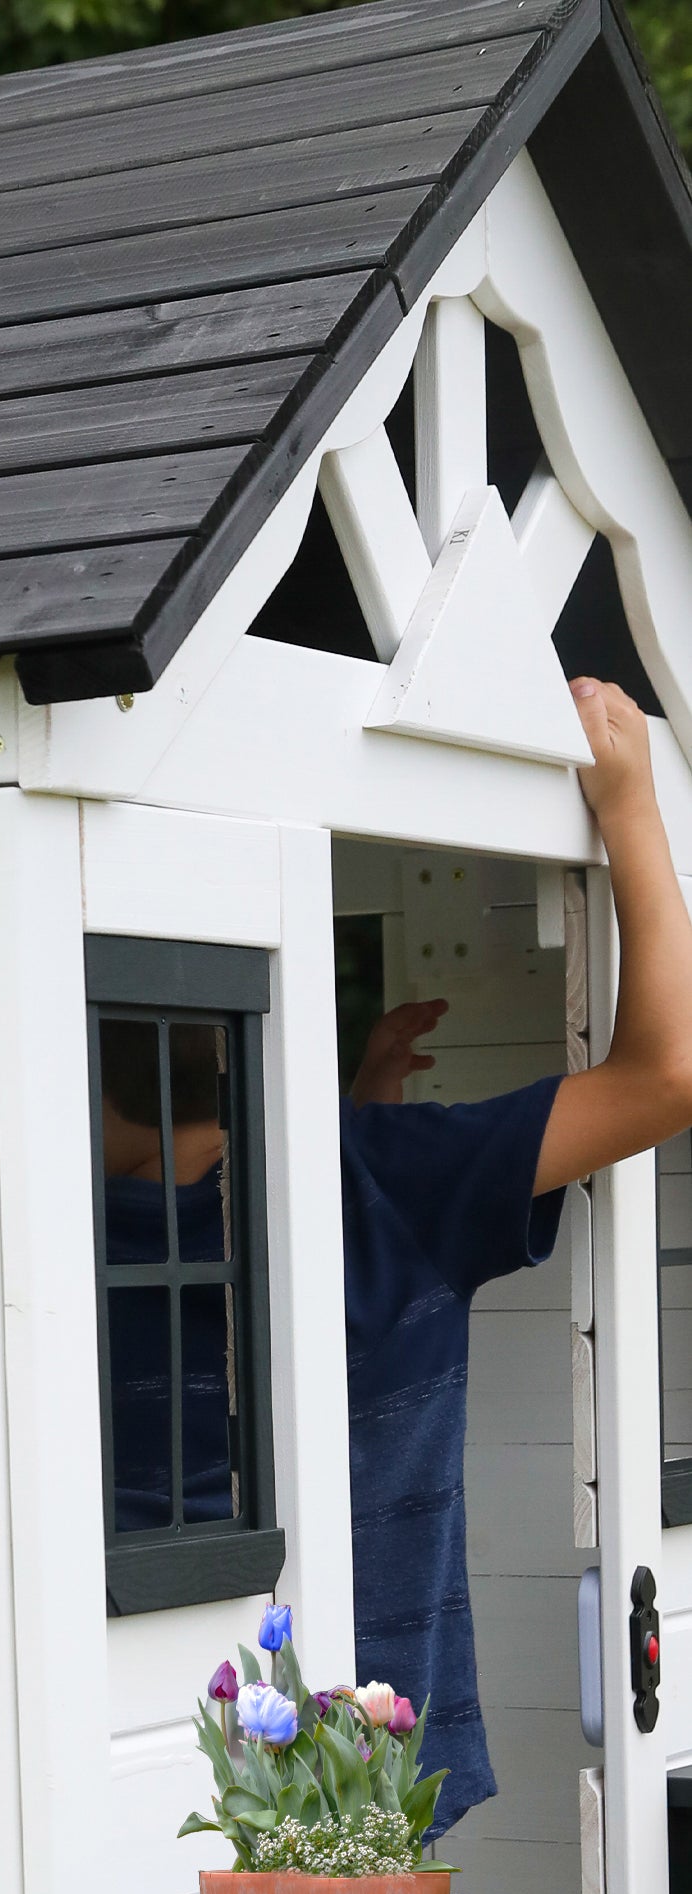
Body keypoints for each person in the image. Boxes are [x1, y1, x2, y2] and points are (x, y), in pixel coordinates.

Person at [333, 679, 692, 1829]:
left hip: (176, 1772)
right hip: (362, 1771)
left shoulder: (70, 1211)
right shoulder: (370, 1174)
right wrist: (632, 806)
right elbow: (664, 1076)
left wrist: (359, 1113)